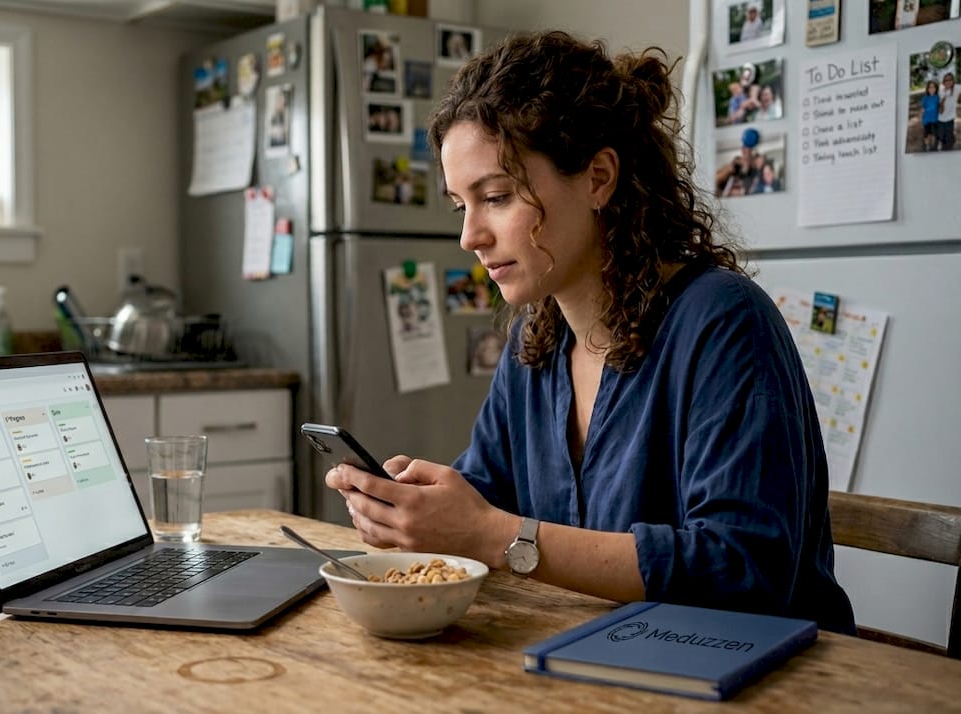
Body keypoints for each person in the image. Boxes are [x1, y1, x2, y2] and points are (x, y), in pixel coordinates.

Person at [325, 30, 856, 633]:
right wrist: (413, 511)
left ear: (598, 178)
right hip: (595, 660)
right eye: (460, 206)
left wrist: (494, 536)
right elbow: (485, 499)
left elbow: (743, 566)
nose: (470, 236)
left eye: (496, 196)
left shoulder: (724, 322)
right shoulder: (537, 345)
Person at [937, 73, 956, 151]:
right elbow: (939, 107)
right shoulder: (940, 90)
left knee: (948, 140)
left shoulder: (956, 89)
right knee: (941, 136)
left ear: (953, 81)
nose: (948, 82)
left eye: (950, 80)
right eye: (946, 80)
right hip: (940, 119)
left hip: (950, 119)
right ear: (943, 82)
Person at [920, 80, 940, 152]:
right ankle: (927, 144)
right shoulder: (925, 98)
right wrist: (921, 117)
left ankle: (933, 145)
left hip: (934, 119)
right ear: (927, 89)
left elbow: (939, 107)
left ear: (936, 88)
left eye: (933, 87)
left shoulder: (937, 97)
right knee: (926, 133)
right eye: (930, 87)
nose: (931, 89)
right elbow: (923, 108)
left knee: (934, 133)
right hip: (926, 119)